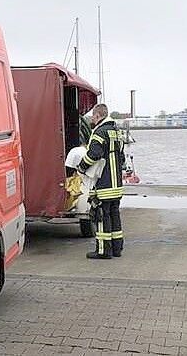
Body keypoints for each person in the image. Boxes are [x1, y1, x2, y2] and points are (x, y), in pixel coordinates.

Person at [78, 104, 124, 259]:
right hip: (117, 184)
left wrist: (82, 166)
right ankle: (117, 249)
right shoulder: (116, 131)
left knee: (101, 216)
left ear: (98, 116)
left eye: (93, 116)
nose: (91, 118)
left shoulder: (99, 131)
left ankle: (104, 251)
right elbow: (122, 158)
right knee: (114, 215)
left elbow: (94, 154)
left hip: (104, 183)